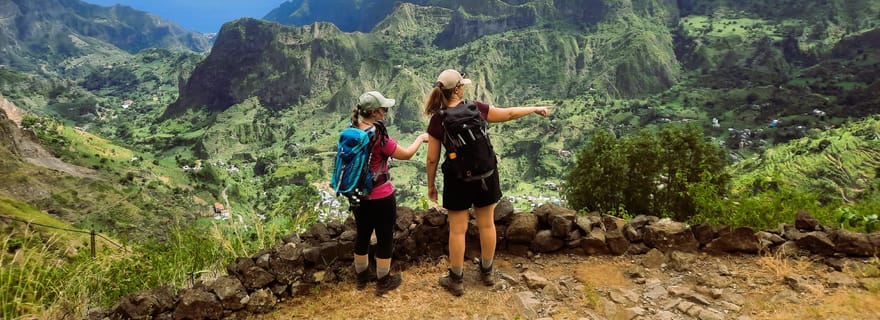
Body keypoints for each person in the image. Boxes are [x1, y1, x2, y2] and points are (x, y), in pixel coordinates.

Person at [423, 69, 551, 296]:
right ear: (459, 89)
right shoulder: (476, 108)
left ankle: (456, 279)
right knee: (486, 224)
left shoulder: (438, 120)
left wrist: (431, 185)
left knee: (458, 230)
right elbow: (509, 114)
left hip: (457, 179)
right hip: (486, 176)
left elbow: (432, 158)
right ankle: (488, 272)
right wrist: (534, 109)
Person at [348, 90, 429, 296]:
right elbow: (406, 155)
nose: (386, 111)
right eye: (383, 108)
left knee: (363, 235)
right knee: (385, 238)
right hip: (381, 196)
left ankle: (361, 278)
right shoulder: (379, 136)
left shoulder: (351, 130)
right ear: (374, 112)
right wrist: (420, 138)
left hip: (358, 196)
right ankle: (383, 281)